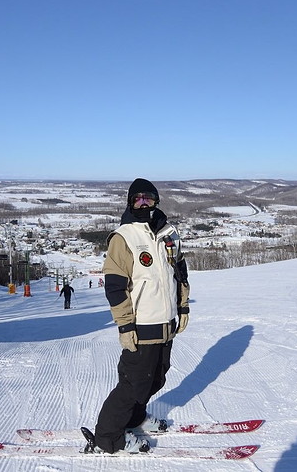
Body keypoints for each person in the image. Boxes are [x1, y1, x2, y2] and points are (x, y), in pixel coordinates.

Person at [91, 178, 190, 454]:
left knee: (157, 378)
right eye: (138, 199)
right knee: (133, 385)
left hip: (165, 323)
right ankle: (108, 437)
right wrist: (125, 325)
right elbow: (115, 286)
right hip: (141, 325)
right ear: (130, 203)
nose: (144, 204)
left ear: (156, 201)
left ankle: (134, 419)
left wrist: (183, 307)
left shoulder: (169, 233)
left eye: (149, 199)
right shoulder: (124, 237)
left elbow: (179, 273)